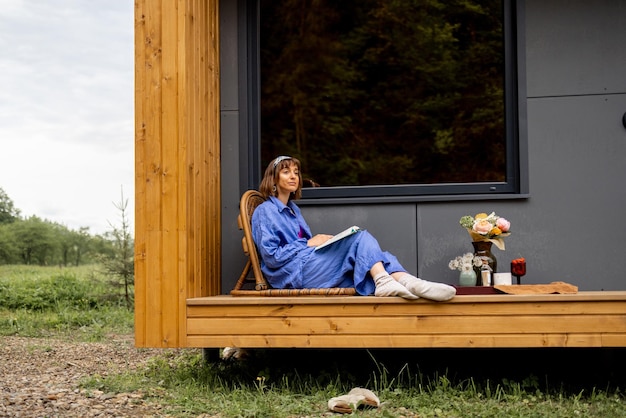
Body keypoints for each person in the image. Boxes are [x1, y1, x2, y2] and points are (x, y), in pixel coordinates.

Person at [251, 155, 456, 301]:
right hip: (292, 275)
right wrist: (309, 243)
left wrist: (324, 244)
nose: (293, 176)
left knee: (374, 257)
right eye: (286, 172)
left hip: (308, 265)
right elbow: (271, 256)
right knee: (358, 238)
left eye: (296, 172)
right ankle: (392, 281)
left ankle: (409, 282)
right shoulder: (265, 211)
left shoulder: (294, 211)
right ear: (273, 179)